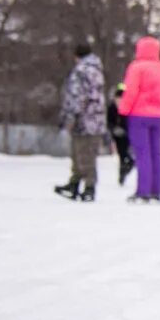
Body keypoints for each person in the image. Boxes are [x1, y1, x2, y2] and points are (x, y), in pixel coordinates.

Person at [117, 37, 160, 204]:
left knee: (142, 153)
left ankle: (143, 191)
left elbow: (131, 92)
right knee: (155, 154)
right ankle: (156, 190)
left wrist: (123, 111)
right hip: (157, 116)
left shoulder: (136, 68)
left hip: (138, 114)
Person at [55, 43, 106, 202]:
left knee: (81, 153)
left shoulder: (80, 71)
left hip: (84, 119)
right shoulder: (97, 70)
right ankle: (76, 183)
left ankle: (86, 187)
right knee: (87, 153)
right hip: (97, 119)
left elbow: (76, 97)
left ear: (76, 56)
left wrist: (68, 117)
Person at [107, 83, 133, 185]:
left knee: (123, 153)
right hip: (119, 134)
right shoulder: (113, 107)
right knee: (122, 154)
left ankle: (126, 168)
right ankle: (123, 172)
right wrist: (114, 128)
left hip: (125, 133)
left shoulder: (126, 106)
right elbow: (110, 121)